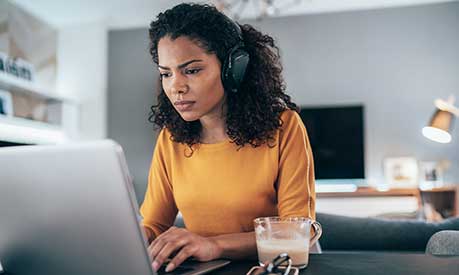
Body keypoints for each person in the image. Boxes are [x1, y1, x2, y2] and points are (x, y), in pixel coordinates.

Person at [140, 3, 316, 273]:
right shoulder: (170, 139)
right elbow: (154, 225)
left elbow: (296, 235)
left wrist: (214, 246)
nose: (175, 87)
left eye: (192, 70)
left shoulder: (284, 127)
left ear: (234, 68)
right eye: (166, 73)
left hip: (274, 268)